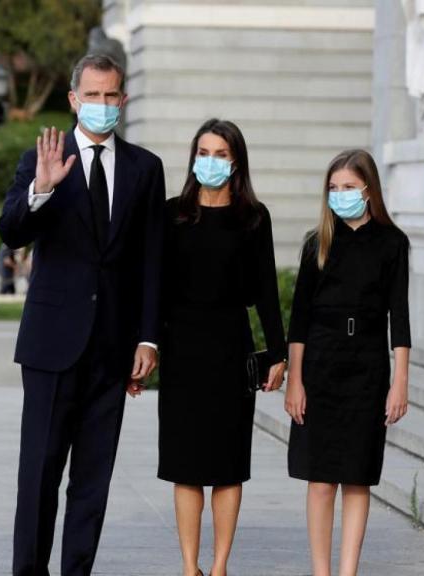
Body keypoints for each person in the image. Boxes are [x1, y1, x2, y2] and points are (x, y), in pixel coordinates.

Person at [0, 54, 165, 576]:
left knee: (93, 480)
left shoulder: (145, 168)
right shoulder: (42, 157)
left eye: (111, 95)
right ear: (73, 100)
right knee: (40, 473)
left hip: (112, 350)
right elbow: (11, 230)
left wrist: (149, 339)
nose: (101, 105)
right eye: (91, 95)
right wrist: (41, 189)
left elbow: (152, 261)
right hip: (51, 346)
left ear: (124, 101)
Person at [158, 119, 286, 576]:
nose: (210, 161)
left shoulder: (254, 217)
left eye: (221, 154)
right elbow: (153, 290)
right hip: (181, 350)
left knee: (229, 464)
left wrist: (278, 353)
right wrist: (144, 351)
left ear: (236, 163)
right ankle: (190, 566)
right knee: (186, 464)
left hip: (232, 350)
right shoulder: (171, 213)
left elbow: (268, 291)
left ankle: (219, 566)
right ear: (194, 157)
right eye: (204, 152)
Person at [284, 149, 411, 576]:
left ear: (369, 191)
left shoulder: (393, 244)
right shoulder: (316, 243)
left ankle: (347, 572)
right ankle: (321, 571)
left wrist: (400, 381)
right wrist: (294, 381)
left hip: (368, 369)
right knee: (320, 481)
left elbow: (400, 316)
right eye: (333, 188)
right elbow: (299, 318)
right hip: (320, 365)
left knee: (357, 477)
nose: (340, 195)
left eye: (349, 188)